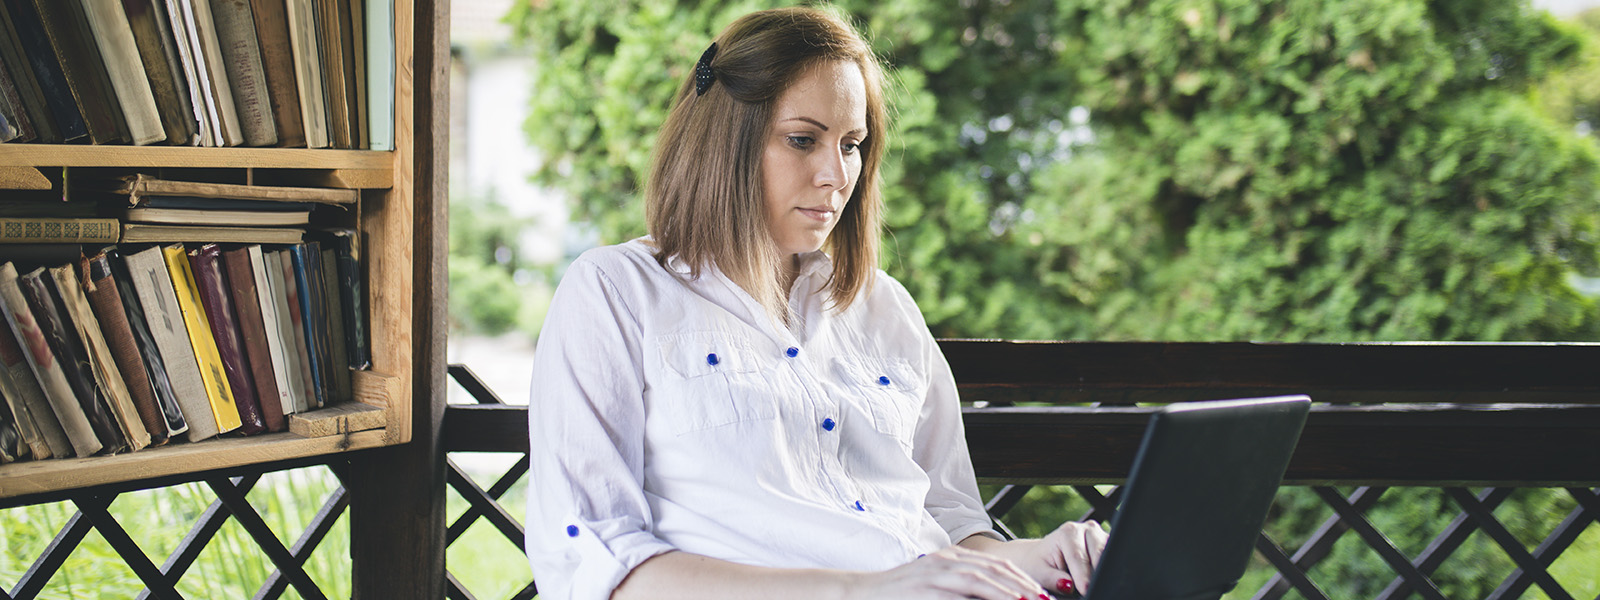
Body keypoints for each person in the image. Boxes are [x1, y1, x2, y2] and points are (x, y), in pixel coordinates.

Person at [525, 6, 1107, 600]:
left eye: (852, 144)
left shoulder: (885, 308)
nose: (837, 175)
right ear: (727, 142)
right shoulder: (616, 292)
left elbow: (952, 526)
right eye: (803, 140)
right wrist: (863, 589)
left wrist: (1039, 557)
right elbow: (591, 556)